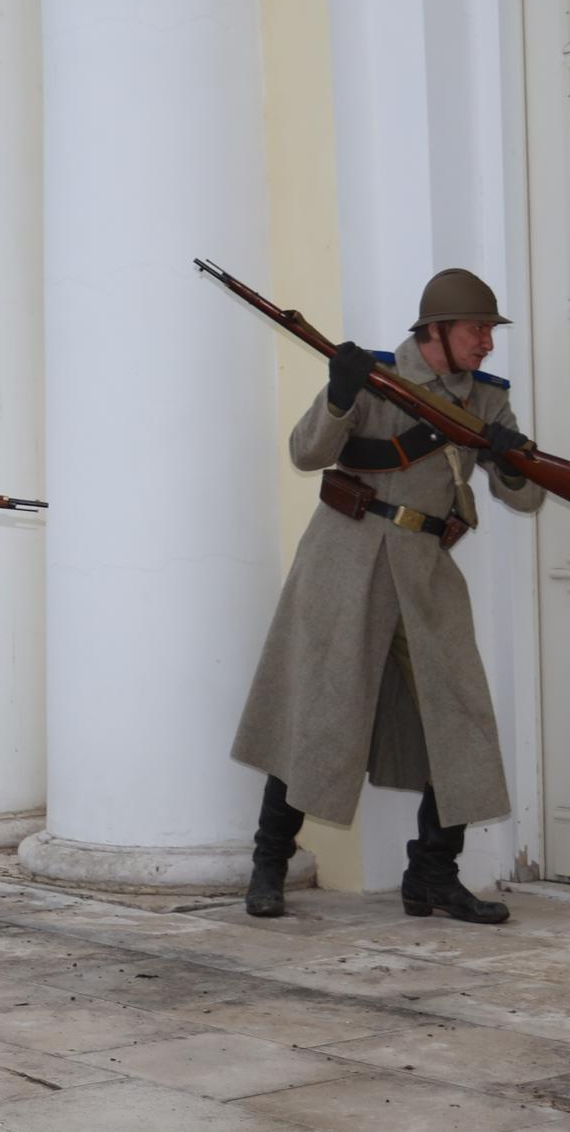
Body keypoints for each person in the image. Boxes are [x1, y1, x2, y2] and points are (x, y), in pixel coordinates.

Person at [232, 267, 547, 925]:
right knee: (318, 709)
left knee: (458, 714)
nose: (487, 342)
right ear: (436, 330)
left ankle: (433, 875)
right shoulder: (375, 377)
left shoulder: (486, 400)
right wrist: (340, 395)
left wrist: (512, 456)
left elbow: (530, 494)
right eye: (477, 329)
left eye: (490, 331)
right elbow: (306, 451)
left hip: (425, 566)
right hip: (348, 558)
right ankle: (269, 864)